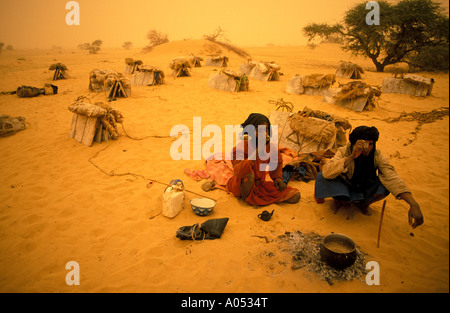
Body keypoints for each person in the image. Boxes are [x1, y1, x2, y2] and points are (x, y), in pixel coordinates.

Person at [314, 125, 424, 228]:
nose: (367, 148)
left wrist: (413, 204)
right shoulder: (344, 151)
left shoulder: (377, 155)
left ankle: (364, 204)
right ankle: (338, 200)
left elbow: (392, 176)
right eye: (363, 144)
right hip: (346, 185)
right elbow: (327, 172)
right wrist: (352, 156)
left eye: (370, 144)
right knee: (322, 177)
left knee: (386, 185)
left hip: (365, 185)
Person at [226, 113, 301, 206]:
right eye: (259, 130)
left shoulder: (271, 147)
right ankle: (247, 199)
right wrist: (258, 150)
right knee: (249, 175)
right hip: (241, 185)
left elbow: (276, 164)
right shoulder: (241, 147)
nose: (264, 133)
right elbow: (239, 172)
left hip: (259, 185)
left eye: (265, 130)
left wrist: (277, 179)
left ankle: (255, 198)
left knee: (295, 196)